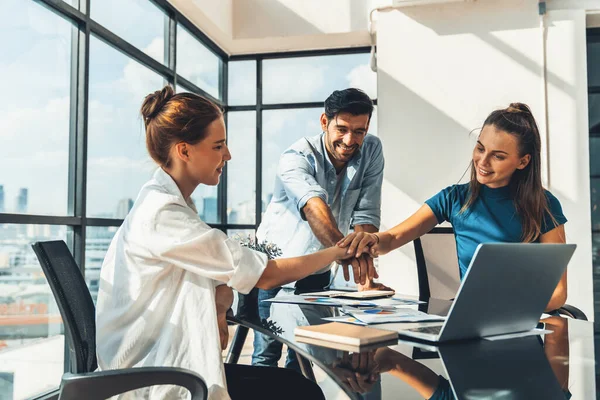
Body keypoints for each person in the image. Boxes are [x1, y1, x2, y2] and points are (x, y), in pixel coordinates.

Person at [95, 85, 354, 400]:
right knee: (300, 392)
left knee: (296, 386)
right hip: (151, 379)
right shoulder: (162, 214)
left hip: (162, 366)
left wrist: (219, 306)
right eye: (218, 146)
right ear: (184, 150)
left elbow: (218, 279)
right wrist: (337, 251)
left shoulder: (169, 204)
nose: (227, 155)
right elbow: (266, 274)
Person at [338, 103, 568, 312]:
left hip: (523, 322)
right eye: (480, 148)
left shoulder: (544, 205)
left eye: (497, 156)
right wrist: (371, 241)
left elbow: (557, 293)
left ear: (523, 161)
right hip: (470, 322)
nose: (483, 162)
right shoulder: (454, 198)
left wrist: (513, 312)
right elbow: (393, 237)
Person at [250, 88, 392, 369]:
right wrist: (348, 253)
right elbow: (315, 209)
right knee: (267, 354)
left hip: (319, 268)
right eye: (342, 129)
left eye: (359, 131)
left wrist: (364, 270)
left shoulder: (371, 149)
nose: (350, 140)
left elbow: (366, 214)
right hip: (276, 266)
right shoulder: (296, 157)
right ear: (324, 122)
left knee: (306, 355)